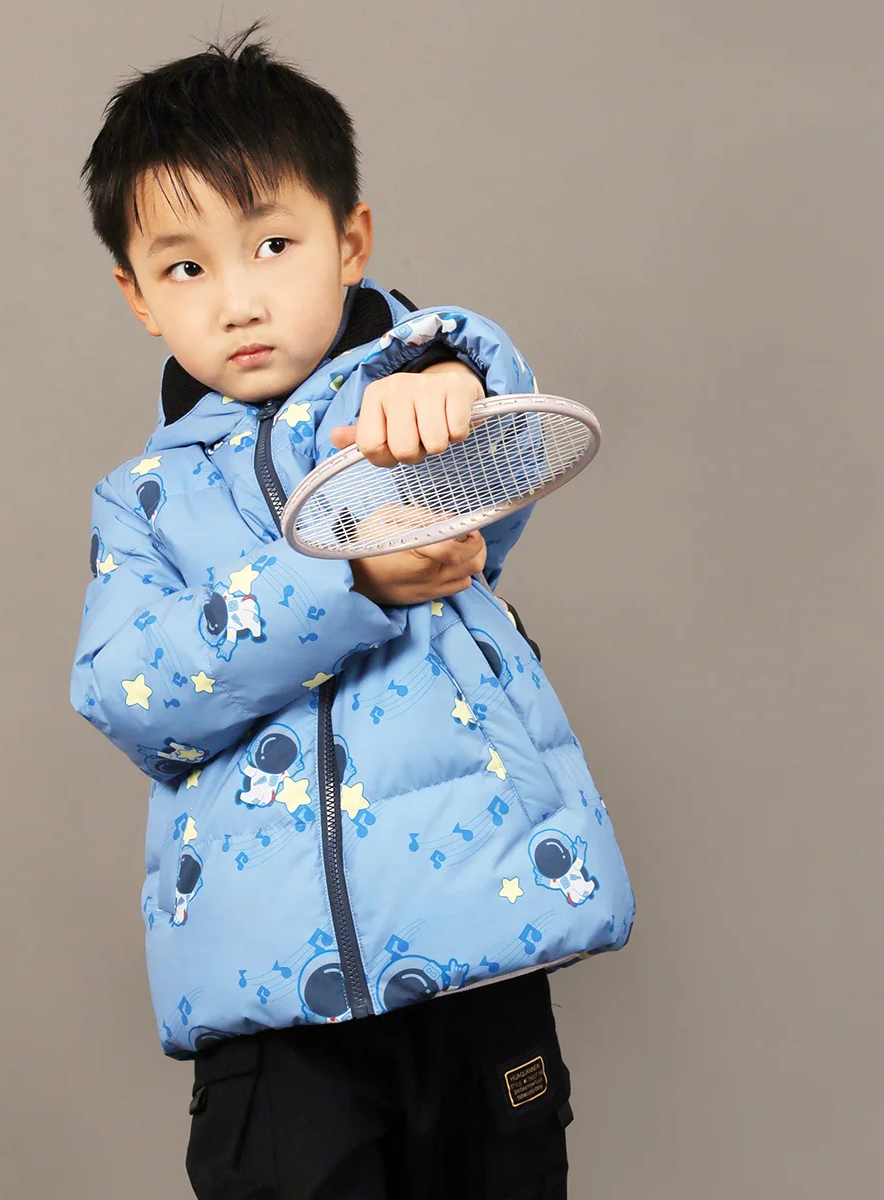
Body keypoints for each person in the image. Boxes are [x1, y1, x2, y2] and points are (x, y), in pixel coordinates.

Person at [71, 20, 634, 1199]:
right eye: (186, 269)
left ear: (350, 243)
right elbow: (134, 696)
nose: (238, 301)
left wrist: (451, 375)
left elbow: (498, 451)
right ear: (136, 296)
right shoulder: (143, 505)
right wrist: (343, 580)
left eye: (273, 244)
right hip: (272, 1012)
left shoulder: (404, 408)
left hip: (480, 966)